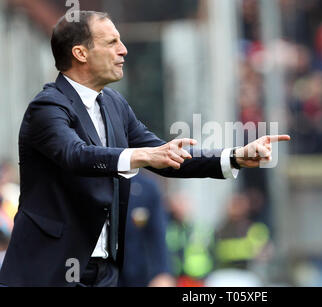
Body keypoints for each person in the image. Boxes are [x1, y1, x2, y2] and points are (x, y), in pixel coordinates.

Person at [0, 11, 290, 287]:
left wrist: (234, 157)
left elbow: (166, 155)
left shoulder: (114, 105)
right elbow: (75, 155)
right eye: (112, 42)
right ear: (81, 53)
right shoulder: (47, 107)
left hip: (103, 274)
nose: (123, 50)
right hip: (47, 272)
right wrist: (140, 155)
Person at [119, 171, 175, 287]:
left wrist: (161, 272)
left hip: (138, 273)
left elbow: (157, 234)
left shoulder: (146, 187)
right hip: (99, 272)